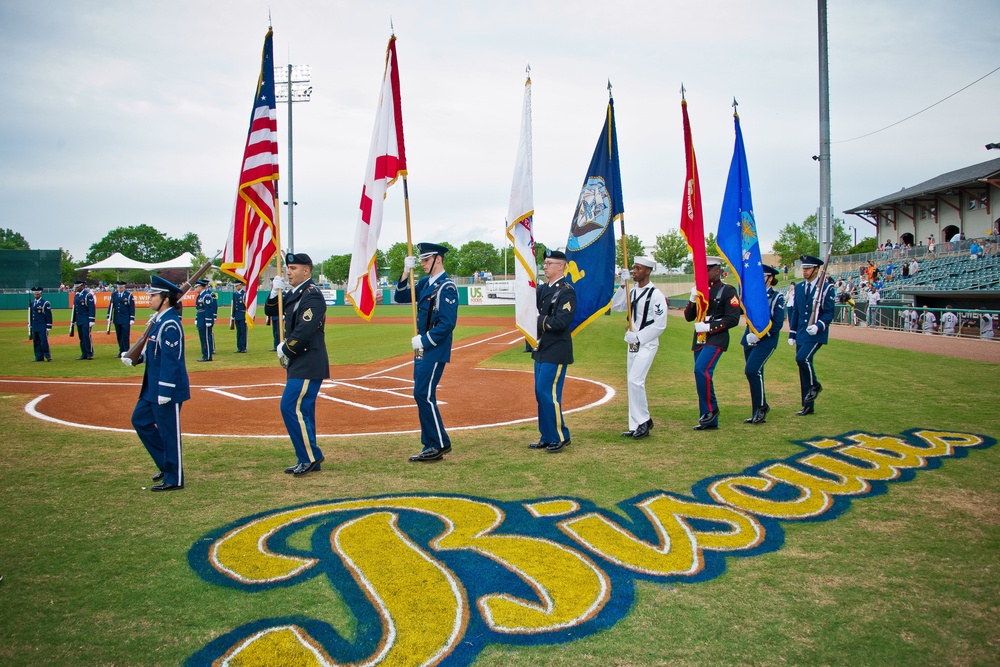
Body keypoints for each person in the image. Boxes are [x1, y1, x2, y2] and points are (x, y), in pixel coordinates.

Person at [123, 275, 190, 491]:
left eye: (153, 295)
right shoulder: (158, 321)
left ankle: (174, 478)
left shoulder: (170, 324)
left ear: (165, 299)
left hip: (165, 388)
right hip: (151, 387)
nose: (149, 298)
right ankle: (165, 463)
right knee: (140, 420)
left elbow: (172, 360)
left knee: (169, 432)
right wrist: (136, 357)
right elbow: (154, 352)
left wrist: (166, 390)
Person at [394, 243, 459, 462]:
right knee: (420, 393)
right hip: (421, 349)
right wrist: (405, 272)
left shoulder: (446, 287)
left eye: (425, 260)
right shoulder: (424, 283)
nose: (421, 264)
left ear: (437, 259)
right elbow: (401, 297)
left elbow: (447, 324)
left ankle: (439, 443)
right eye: (420, 260)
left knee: (424, 394)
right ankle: (430, 443)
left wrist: (424, 340)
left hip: (432, 348)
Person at [267, 253, 329, 476]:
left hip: (307, 359)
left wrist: (286, 348)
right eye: (288, 268)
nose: (288, 272)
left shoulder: (311, 295)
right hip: (299, 360)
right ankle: (308, 457)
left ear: (307, 271)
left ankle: (310, 456)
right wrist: (274, 293)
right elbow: (271, 311)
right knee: (303, 410)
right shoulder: (294, 293)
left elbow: (305, 327)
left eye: (293, 268)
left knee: (290, 406)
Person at [610, 256, 667, 439]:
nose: (634, 271)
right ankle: (635, 424)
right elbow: (617, 306)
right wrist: (622, 284)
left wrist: (639, 336)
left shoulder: (656, 295)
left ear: (648, 271)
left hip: (647, 343)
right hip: (632, 344)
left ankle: (644, 420)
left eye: (638, 268)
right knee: (631, 382)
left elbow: (660, 325)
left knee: (636, 380)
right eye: (633, 268)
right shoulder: (632, 291)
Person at [684, 256, 741, 430]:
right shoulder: (700, 291)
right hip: (700, 339)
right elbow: (688, 317)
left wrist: (709, 326)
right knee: (700, 374)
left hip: (716, 337)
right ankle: (708, 417)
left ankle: (711, 410)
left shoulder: (727, 291)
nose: (703, 274)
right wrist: (693, 299)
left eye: (707, 270)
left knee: (701, 369)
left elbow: (733, 318)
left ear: (717, 270)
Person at [528, 249, 576, 452]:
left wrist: (537, 320)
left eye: (549, 263)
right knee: (540, 394)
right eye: (544, 263)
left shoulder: (566, 291)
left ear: (561, 266)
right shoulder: (541, 289)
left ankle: (560, 436)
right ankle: (547, 435)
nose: (545, 267)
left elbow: (562, 321)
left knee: (548, 393)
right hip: (541, 348)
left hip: (556, 350)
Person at [787, 254, 835, 416]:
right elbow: (796, 312)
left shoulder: (826, 288)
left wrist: (818, 326)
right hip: (801, 332)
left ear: (816, 269)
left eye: (808, 268)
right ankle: (807, 405)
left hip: (815, 333)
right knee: (802, 369)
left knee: (802, 359)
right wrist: (792, 333)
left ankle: (815, 385)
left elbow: (828, 313)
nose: (805, 271)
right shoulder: (800, 288)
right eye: (803, 268)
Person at [740, 265, 785, 424]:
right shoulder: (752, 294)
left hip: (766, 340)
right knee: (755, 374)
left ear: (770, 278)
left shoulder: (777, 297)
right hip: (749, 338)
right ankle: (759, 408)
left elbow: (777, 323)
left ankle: (760, 408)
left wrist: (760, 336)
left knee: (752, 370)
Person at [108, 280, 136, 358]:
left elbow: (131, 307)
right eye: (118, 287)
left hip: (125, 319)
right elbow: (111, 306)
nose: (119, 289)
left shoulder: (128, 295)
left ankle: (127, 351)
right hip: (117, 318)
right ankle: (121, 351)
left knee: (125, 336)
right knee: (119, 335)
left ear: (124, 287)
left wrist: (132, 318)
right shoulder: (114, 295)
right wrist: (109, 316)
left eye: (121, 287)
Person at [193, 280, 217, 362]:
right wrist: (196, 318)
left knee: (206, 337)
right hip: (200, 318)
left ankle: (208, 355)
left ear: (200, 287)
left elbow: (208, 309)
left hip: (205, 318)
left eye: (196, 287)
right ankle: (205, 354)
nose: (195, 288)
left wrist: (208, 320)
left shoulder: (206, 296)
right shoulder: (200, 296)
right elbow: (198, 309)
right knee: (202, 338)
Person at [71, 280, 96, 360]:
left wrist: (92, 320)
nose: (76, 288)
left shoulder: (88, 295)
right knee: (81, 337)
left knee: (86, 336)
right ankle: (84, 353)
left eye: (77, 287)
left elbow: (91, 308)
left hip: (86, 319)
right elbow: (75, 309)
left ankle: (89, 353)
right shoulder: (77, 295)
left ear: (82, 286)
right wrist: (74, 319)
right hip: (79, 319)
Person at [29, 287, 53, 362]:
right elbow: (31, 314)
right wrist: (30, 324)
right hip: (35, 325)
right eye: (35, 293)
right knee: (36, 342)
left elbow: (48, 315)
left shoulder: (45, 303)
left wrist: (49, 325)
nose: (36, 294)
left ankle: (47, 355)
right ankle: (38, 357)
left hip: (42, 325)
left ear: (40, 293)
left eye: (37, 293)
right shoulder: (32, 303)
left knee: (43, 341)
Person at [264, 277, 281, 351]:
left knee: (278, 332)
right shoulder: (272, 293)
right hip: (274, 315)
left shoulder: (281, 293)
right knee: (275, 332)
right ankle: (275, 346)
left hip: (279, 315)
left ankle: (279, 345)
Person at [232, 284, 248, 353]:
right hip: (237, 315)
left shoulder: (244, 294)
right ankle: (239, 347)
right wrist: (233, 315)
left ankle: (244, 347)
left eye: (237, 286)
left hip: (243, 314)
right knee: (238, 332)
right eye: (235, 286)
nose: (236, 287)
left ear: (240, 286)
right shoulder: (235, 294)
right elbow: (234, 306)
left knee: (243, 332)